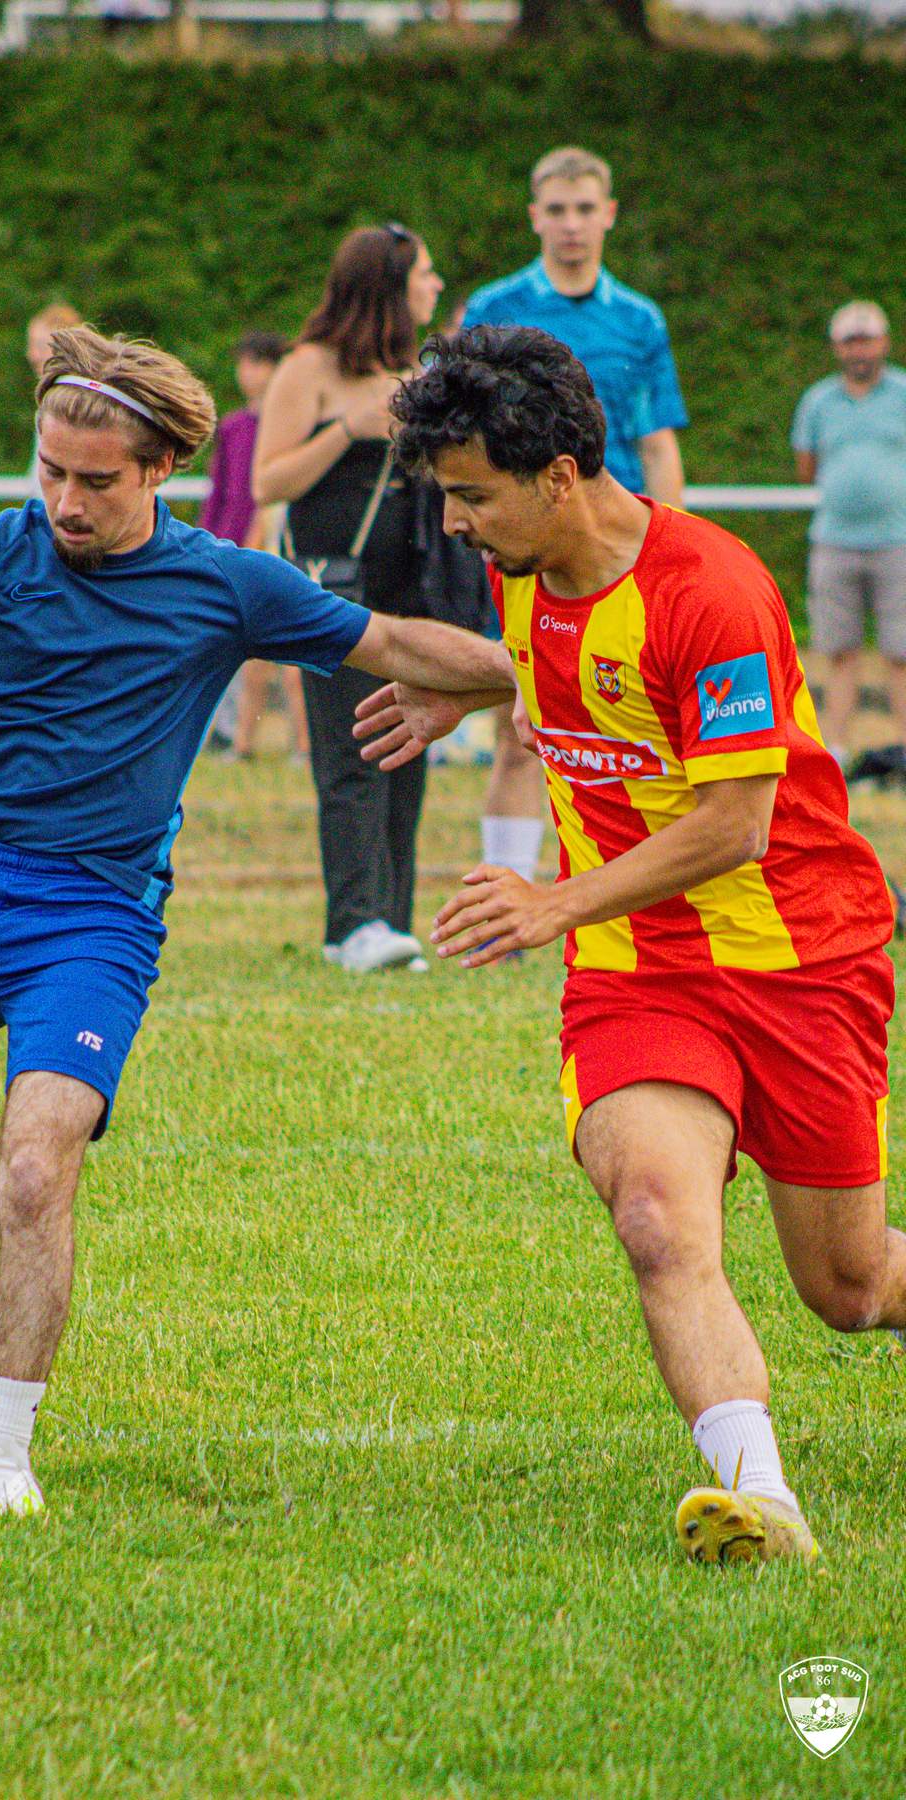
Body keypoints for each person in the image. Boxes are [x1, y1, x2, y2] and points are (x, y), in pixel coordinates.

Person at [0, 327, 521, 1517]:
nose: (66, 501)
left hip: (94, 915)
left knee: (35, 1171)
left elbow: (396, 643)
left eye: (95, 480)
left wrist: (524, 672)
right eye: (50, 471)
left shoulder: (226, 583)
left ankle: (3, 1454)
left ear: (159, 473)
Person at [357, 325, 903, 1565]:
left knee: (851, 1288)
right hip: (638, 969)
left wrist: (551, 901)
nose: (456, 525)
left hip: (800, 957)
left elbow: (736, 823)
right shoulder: (521, 565)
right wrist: (485, 688)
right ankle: (763, 1503)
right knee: (659, 1216)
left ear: (559, 477)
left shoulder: (712, 589)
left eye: (473, 497)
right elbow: (569, 663)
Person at [463, 146, 689, 898]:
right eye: (556, 210)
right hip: (527, 546)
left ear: (609, 215)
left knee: (639, 727)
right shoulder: (495, 307)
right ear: (535, 218)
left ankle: (631, 884)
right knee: (525, 727)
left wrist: (676, 555)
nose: (571, 225)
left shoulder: (639, 319)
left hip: (620, 547)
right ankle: (507, 894)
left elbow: (659, 445)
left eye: (585, 208)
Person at [252, 223, 446, 973]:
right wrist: (347, 429)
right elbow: (269, 481)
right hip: (335, 589)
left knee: (409, 745)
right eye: (423, 275)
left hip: (413, 586)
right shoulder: (311, 368)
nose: (433, 287)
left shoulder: (417, 370)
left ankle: (392, 919)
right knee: (351, 751)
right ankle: (352, 922)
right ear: (389, 286)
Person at [792, 300, 906, 774]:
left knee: (902, 654)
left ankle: (902, 751)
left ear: (884, 342)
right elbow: (807, 468)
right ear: (838, 347)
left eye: (867, 338)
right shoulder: (818, 401)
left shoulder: (902, 393)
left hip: (898, 542)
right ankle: (835, 753)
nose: (859, 349)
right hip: (835, 542)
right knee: (837, 652)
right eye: (850, 340)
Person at [198, 330, 308, 760]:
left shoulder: (293, 426)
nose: (250, 373)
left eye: (259, 363)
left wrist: (259, 539)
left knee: (294, 657)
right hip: (231, 551)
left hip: (280, 548)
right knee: (248, 656)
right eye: (245, 363)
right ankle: (240, 741)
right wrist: (210, 542)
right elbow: (219, 492)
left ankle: (304, 745)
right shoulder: (233, 427)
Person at [25, 302, 82, 489]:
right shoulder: (49, 401)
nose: (33, 356)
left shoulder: (81, 405)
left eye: (41, 346)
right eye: (31, 346)